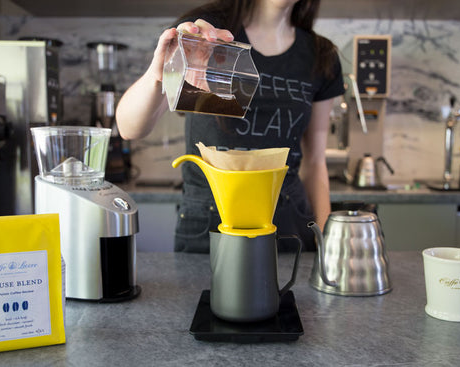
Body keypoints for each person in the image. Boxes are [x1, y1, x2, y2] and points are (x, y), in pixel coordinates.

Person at [116, 0, 344, 253]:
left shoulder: (321, 55)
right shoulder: (206, 32)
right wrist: (160, 72)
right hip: (209, 222)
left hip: (289, 223)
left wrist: (328, 245)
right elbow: (129, 128)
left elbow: (315, 162)